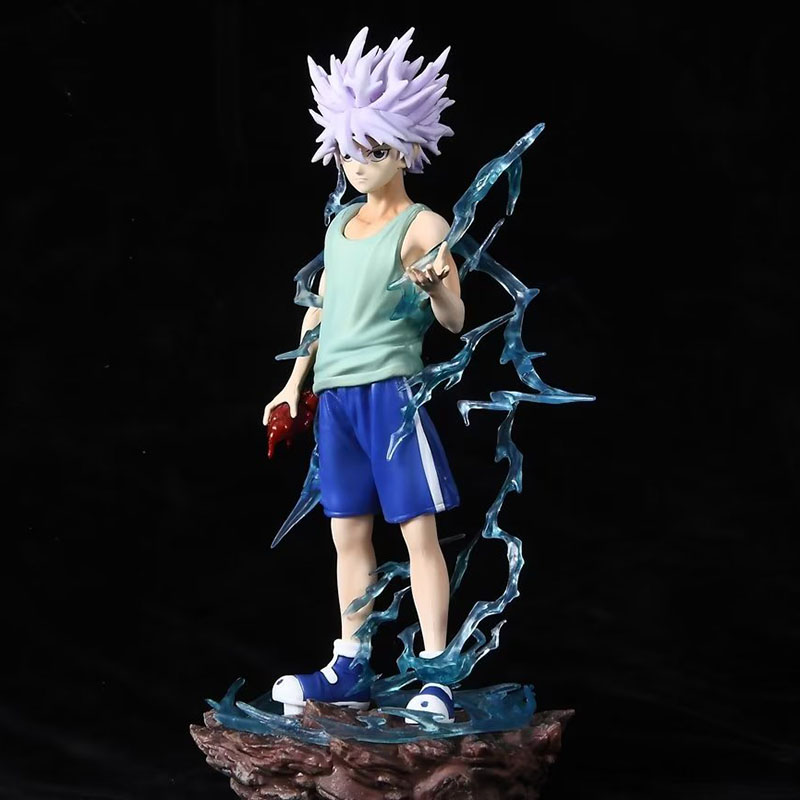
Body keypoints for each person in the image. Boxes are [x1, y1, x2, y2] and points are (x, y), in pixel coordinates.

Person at [262, 27, 463, 724]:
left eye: (373, 150)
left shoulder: (424, 225)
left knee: (416, 532)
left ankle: (436, 673)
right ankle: (350, 663)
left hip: (391, 398)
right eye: (348, 150)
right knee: (347, 533)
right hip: (336, 400)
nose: (356, 163)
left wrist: (435, 289)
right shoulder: (339, 224)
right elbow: (320, 308)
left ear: (404, 149)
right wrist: (294, 382)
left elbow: (455, 321)